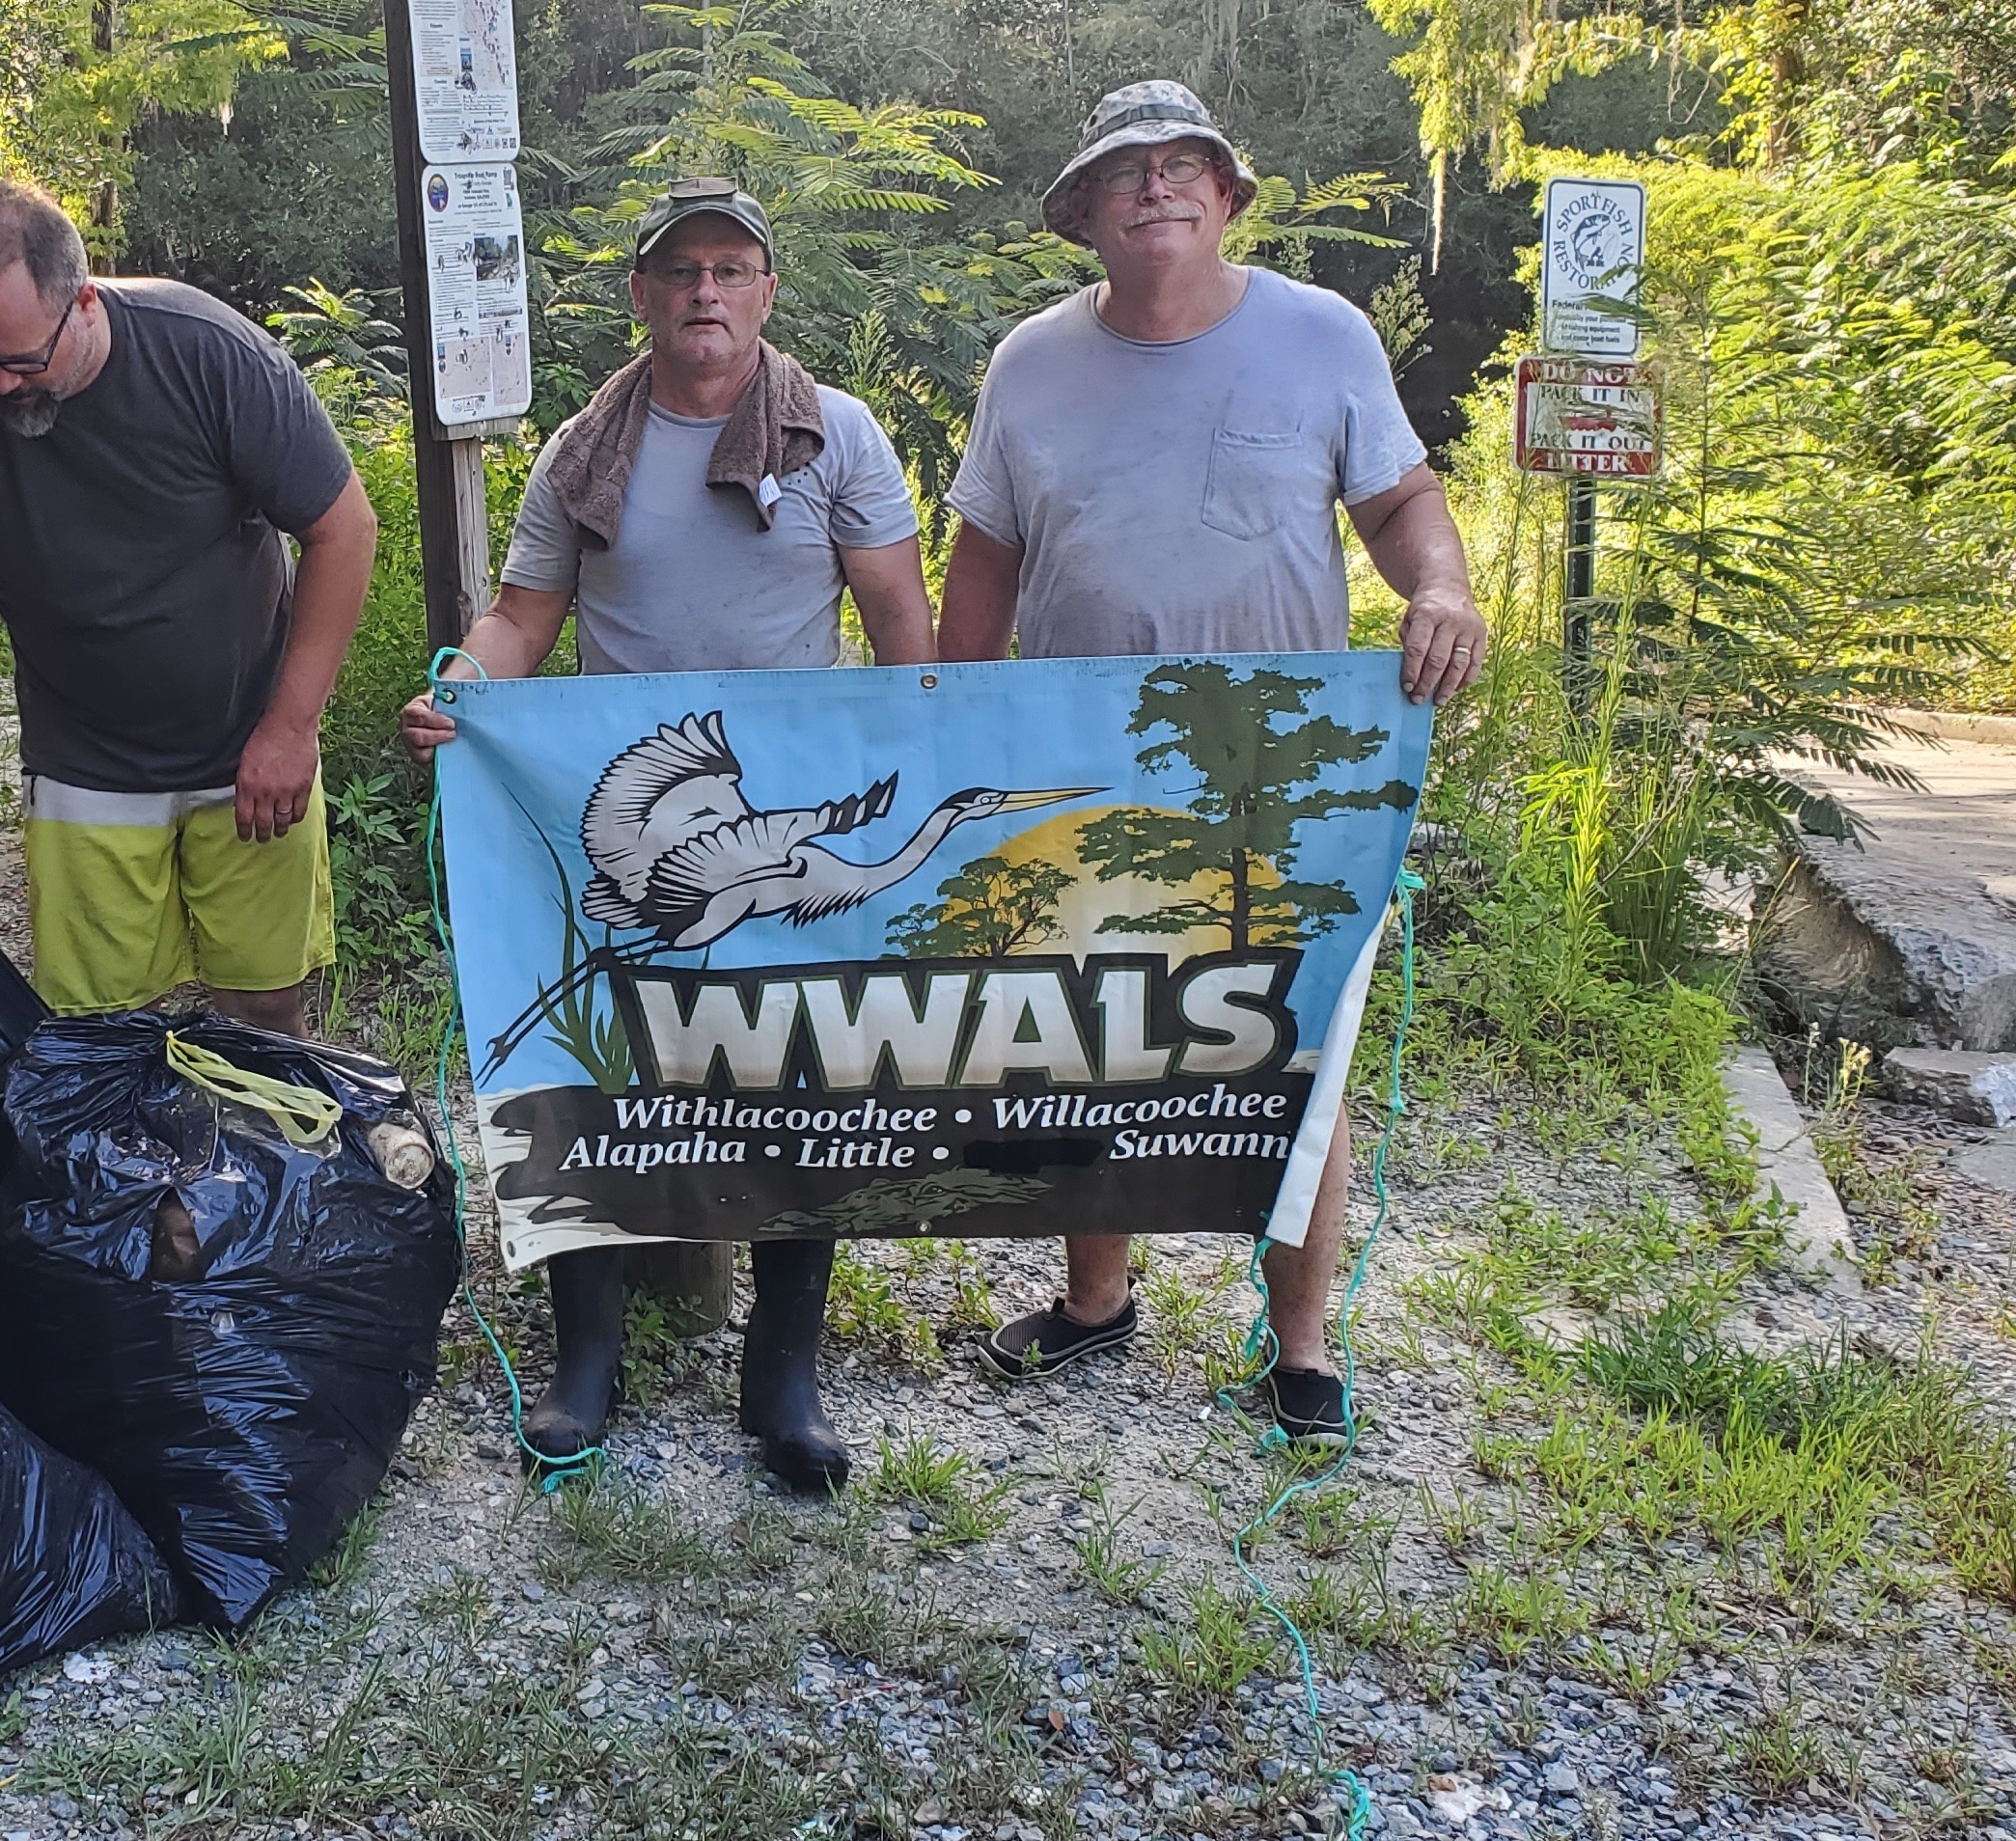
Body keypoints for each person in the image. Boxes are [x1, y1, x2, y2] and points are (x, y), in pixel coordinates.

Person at [936, 81, 1485, 1448]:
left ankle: (1300, 1348)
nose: (1158, 187)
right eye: (1128, 172)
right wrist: (943, 711)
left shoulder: (1322, 336)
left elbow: (1403, 501)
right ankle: (1094, 1302)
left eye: (1188, 166)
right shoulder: (1029, 363)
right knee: (1090, 1030)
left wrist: (1445, 588)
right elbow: (986, 556)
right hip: (1080, 757)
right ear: (1085, 213)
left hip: (1282, 769)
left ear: (1231, 198)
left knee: (1293, 1045)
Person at [400, 177, 937, 1493]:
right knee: (592, 1072)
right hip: (624, 818)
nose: (706, 292)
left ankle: (785, 1374)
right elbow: (523, 619)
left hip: (787, 830)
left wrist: (928, 758)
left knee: (799, 1086)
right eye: (681, 271)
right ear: (640, 295)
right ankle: (586, 1360)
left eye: (731, 270)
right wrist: (470, 684)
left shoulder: (841, 439)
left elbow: (902, 628)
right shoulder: (586, 452)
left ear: (766, 292)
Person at [0, 175, 380, 1035]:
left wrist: (292, 727)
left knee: (261, 1003)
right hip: (83, 762)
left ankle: (269, 1162)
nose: (0, 387)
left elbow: (344, 530)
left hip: (248, 742)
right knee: (97, 1028)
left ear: (85, 302)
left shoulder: (209, 355)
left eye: (24, 362)